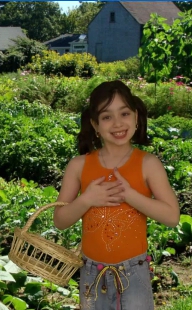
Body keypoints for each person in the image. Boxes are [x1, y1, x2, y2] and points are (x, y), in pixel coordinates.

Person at [53, 80, 180, 310]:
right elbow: (60, 220)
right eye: (107, 117)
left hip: (134, 272)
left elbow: (172, 216)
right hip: (92, 273)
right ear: (95, 124)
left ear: (136, 117)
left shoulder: (148, 164)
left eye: (124, 113)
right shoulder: (79, 166)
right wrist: (87, 199)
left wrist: (130, 195)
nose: (118, 123)